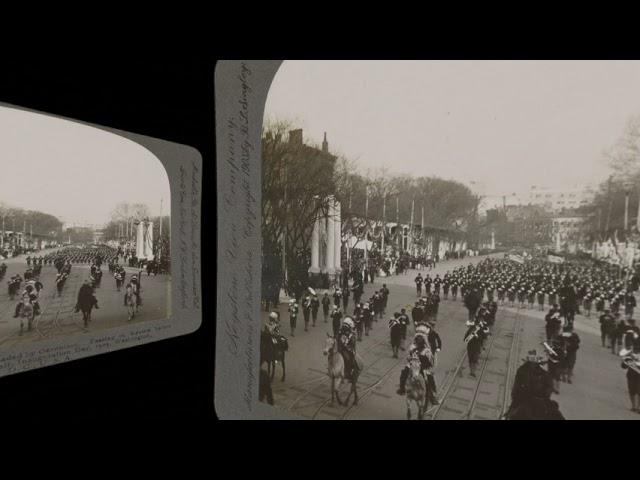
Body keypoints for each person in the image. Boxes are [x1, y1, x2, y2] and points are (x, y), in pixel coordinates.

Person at [506, 350, 564, 420]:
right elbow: (516, 388)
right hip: (526, 398)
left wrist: (543, 394)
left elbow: (549, 388)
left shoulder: (543, 374)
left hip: (538, 399)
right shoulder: (522, 371)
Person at [396, 325, 439, 405]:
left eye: (420, 341)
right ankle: (402, 388)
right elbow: (408, 357)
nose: (418, 343)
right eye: (417, 341)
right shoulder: (412, 348)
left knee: (429, 378)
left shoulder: (427, 350)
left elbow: (429, 361)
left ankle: (432, 395)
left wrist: (422, 365)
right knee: (404, 372)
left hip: (423, 366)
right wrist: (410, 361)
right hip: (413, 365)